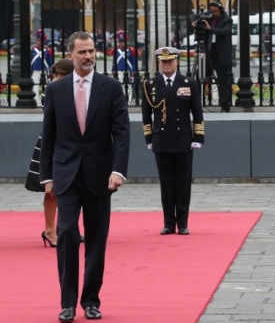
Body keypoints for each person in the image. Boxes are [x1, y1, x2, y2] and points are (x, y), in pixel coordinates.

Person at [39, 32, 130, 322]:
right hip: (65, 174)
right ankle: (67, 302)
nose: (88, 56)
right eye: (82, 52)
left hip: (100, 176)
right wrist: (47, 177)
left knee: (96, 238)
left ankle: (91, 300)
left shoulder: (111, 87)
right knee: (66, 232)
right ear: (70, 56)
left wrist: (118, 171)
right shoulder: (56, 90)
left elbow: (122, 133)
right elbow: (49, 136)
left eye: (91, 51)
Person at [141, 47, 205, 235]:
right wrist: (149, 138)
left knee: (183, 183)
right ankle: (169, 223)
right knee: (166, 183)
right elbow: (146, 116)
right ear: (159, 63)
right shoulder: (151, 85)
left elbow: (197, 112)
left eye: (170, 61)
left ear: (177, 62)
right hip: (161, 140)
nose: (167, 64)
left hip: (183, 139)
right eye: (163, 62)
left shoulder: (188, 83)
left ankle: (183, 223)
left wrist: (198, 137)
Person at [25, 58, 74, 248]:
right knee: (52, 190)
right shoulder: (53, 91)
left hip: (72, 144)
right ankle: (50, 230)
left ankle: (67, 229)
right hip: (52, 142)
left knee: (71, 190)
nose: (57, 79)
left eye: (61, 76)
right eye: (56, 75)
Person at [191, 0, 233, 112]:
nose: (214, 13)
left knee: (223, 80)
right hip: (208, 51)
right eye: (212, 11)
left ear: (221, 10)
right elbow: (195, 17)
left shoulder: (227, 20)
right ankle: (198, 103)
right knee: (200, 77)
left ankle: (225, 106)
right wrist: (195, 23)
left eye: (216, 11)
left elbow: (224, 32)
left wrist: (211, 29)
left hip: (221, 54)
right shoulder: (209, 17)